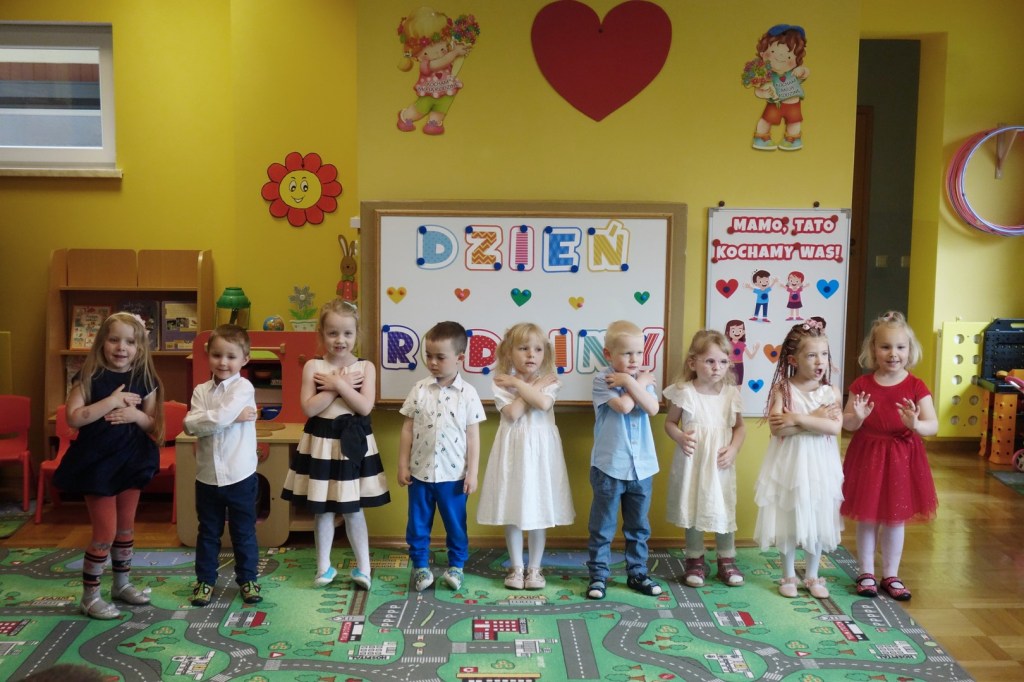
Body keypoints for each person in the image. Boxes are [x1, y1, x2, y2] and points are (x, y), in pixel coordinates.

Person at [53, 312, 164, 620]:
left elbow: (154, 426)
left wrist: (136, 416)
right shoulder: (89, 377)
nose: (121, 347)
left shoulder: (146, 379)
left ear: (140, 347)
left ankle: (121, 584)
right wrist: (112, 402)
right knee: (105, 532)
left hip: (132, 460)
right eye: (114, 339)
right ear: (102, 342)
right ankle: (90, 597)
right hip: (98, 464)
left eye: (130, 341)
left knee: (126, 529)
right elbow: (74, 418)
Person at [282, 300, 390, 589]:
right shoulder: (313, 366)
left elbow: (364, 407)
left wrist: (338, 385)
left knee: (353, 509)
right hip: (321, 443)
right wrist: (335, 386)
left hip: (352, 443)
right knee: (323, 509)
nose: (340, 340)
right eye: (332, 333)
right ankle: (323, 568)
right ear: (321, 333)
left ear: (357, 334)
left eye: (347, 333)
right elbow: (309, 408)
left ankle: (364, 569)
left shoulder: (365, 367)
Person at [841, 311, 938, 601]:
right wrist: (857, 417)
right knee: (868, 517)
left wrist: (916, 424)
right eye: (885, 347)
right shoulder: (861, 385)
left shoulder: (916, 386)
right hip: (868, 456)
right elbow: (847, 424)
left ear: (910, 350)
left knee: (895, 519)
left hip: (902, 458)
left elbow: (933, 425)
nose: (893, 353)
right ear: (873, 350)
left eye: (900, 347)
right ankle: (866, 572)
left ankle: (891, 574)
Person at [477, 322, 575, 590]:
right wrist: (524, 385)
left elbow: (543, 403)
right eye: (523, 348)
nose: (531, 354)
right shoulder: (501, 382)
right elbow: (512, 413)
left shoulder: (550, 382)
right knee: (513, 509)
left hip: (541, 455)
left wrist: (520, 384)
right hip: (513, 453)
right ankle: (516, 567)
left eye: (538, 349)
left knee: (538, 508)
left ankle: (534, 568)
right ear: (509, 353)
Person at [753, 320, 843, 599]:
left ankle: (813, 575)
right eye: (812, 355)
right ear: (794, 360)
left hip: (820, 465)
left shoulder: (830, 392)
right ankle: (788, 575)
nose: (820, 361)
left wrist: (798, 419)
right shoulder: (783, 389)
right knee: (789, 516)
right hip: (790, 464)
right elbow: (777, 429)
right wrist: (814, 419)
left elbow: (834, 428)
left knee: (817, 516)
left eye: (824, 354)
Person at [398, 321, 485, 592]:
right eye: (429, 355)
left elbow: (473, 437)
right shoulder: (419, 389)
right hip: (420, 474)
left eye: (440, 357)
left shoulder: (468, 394)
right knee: (417, 524)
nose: (433, 362)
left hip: (454, 476)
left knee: (456, 524)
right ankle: (420, 566)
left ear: (460, 358)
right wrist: (402, 465)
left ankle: (456, 566)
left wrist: (472, 473)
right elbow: (407, 429)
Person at [183, 324, 262, 607]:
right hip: (207, 477)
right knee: (208, 533)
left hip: (240, 476)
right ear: (208, 355)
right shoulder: (201, 391)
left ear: (245, 359)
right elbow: (188, 425)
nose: (223, 362)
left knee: (243, 532)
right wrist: (232, 417)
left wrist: (209, 420)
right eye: (217, 355)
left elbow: (208, 421)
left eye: (231, 356)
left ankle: (248, 579)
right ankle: (205, 581)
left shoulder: (244, 387)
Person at [585, 320, 663, 600]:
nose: (634, 359)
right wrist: (636, 383)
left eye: (639, 353)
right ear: (609, 354)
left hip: (642, 468)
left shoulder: (640, 380)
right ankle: (598, 576)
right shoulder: (602, 379)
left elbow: (652, 408)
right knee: (603, 526)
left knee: (638, 526)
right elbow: (623, 406)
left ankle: (637, 573)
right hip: (609, 467)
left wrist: (631, 381)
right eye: (627, 353)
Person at [663, 330, 746, 588]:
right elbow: (670, 423)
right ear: (693, 363)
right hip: (693, 462)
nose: (716, 367)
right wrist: (679, 437)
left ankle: (726, 559)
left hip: (720, 464)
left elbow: (740, 428)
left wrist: (733, 449)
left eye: (723, 361)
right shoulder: (685, 392)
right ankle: (695, 560)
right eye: (710, 361)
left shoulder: (730, 394)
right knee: (693, 506)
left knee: (724, 506)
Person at [395, 7, 475, 135]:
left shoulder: (448, 54)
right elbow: (440, 63)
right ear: (418, 56)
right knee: (421, 108)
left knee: (443, 106)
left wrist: (460, 50)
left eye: (442, 46)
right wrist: (454, 53)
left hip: (447, 88)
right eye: (429, 50)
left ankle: (434, 122)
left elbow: (451, 61)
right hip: (429, 91)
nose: (439, 52)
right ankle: (406, 117)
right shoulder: (427, 64)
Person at [750, 24, 809, 151]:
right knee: (766, 120)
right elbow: (758, 90)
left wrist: (802, 70)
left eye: (789, 56)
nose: (781, 57)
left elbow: (805, 74)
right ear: (762, 53)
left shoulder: (793, 73)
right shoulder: (766, 75)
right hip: (774, 104)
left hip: (793, 104)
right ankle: (761, 138)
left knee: (795, 122)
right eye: (773, 52)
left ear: (797, 60)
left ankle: (792, 139)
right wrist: (764, 94)